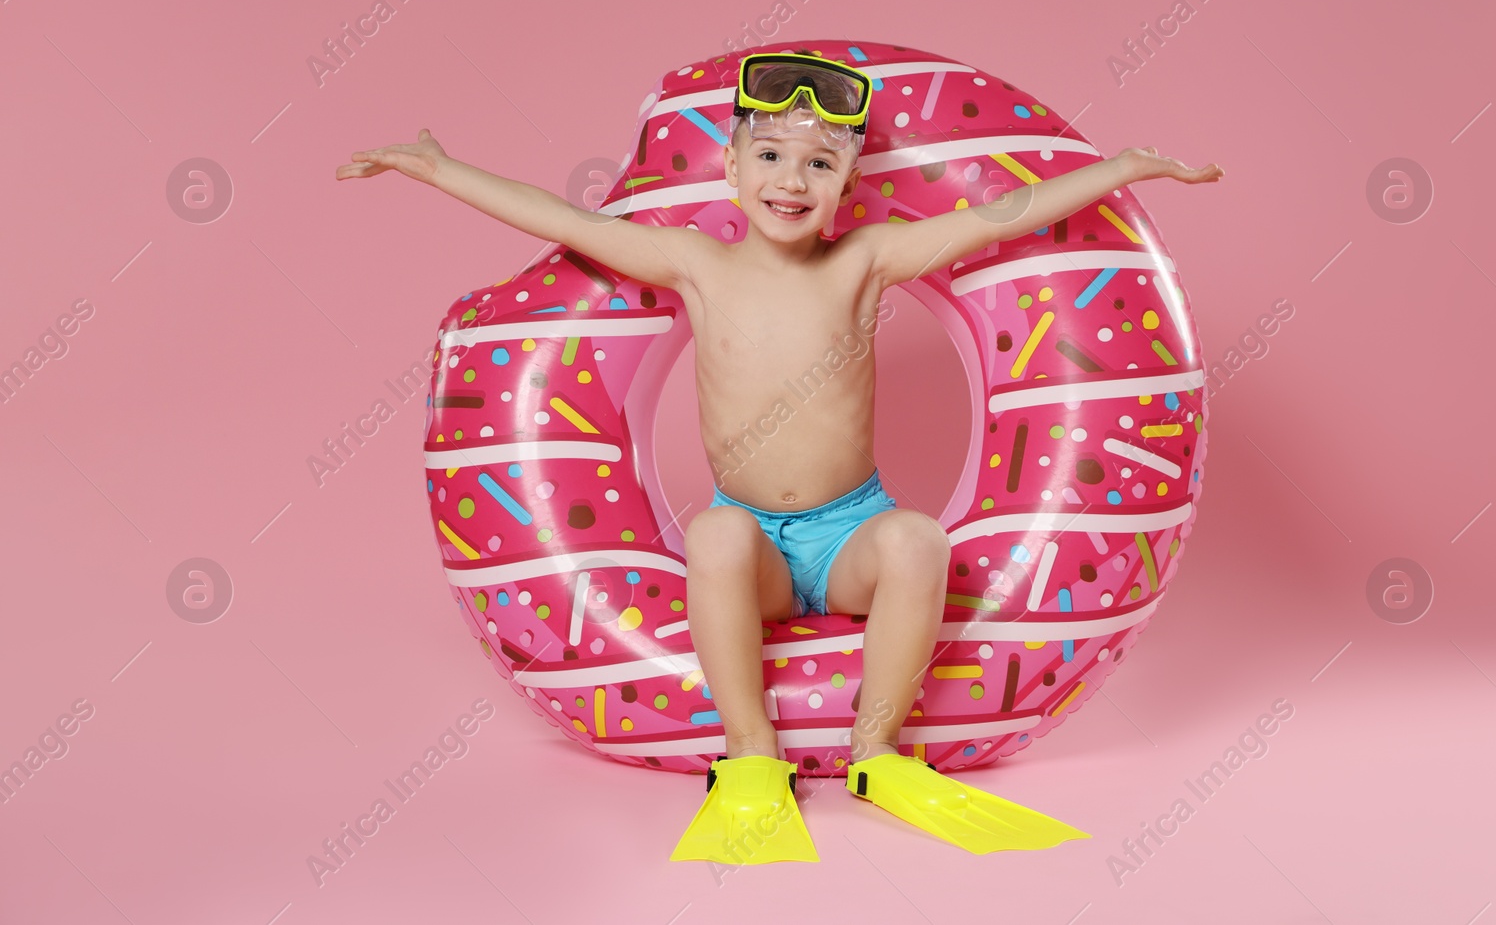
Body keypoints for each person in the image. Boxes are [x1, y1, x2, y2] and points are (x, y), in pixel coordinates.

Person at [336, 50, 1222, 862]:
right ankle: (751, 749)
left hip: (850, 534)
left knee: (917, 543)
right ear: (730, 169)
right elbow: (565, 219)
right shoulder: (693, 265)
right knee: (715, 537)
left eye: (819, 165)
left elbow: (999, 214)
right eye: (769, 158)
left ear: (846, 188)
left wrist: (1122, 169)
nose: (790, 181)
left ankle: (875, 749)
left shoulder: (864, 262)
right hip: (757, 542)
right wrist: (440, 169)